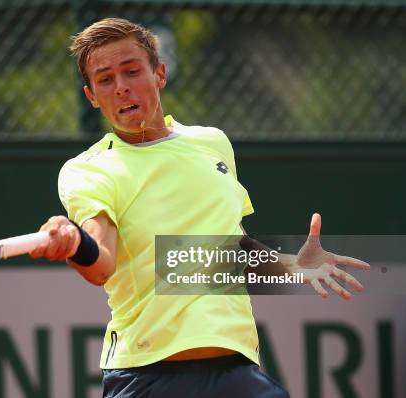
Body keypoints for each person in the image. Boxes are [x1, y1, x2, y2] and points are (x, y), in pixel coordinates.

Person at [30, 17, 370, 397]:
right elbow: (101, 262)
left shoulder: (213, 144)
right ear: (92, 96)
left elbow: (232, 248)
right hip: (147, 376)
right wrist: (75, 244)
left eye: (131, 71)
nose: (122, 87)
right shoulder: (89, 170)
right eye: (106, 79)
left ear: (159, 74)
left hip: (237, 371)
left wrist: (292, 266)